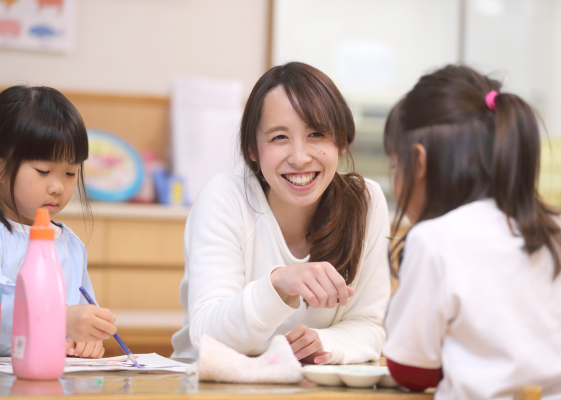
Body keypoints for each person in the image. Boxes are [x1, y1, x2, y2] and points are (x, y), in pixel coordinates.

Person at [171, 62, 391, 364]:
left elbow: (368, 325)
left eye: (316, 134)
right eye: (279, 138)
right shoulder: (225, 197)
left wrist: (323, 342)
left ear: (341, 141)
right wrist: (277, 285)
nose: (300, 158)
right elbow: (206, 337)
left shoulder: (365, 202)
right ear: (252, 149)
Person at [382, 65, 561, 398]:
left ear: (419, 162)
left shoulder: (435, 240)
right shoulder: (553, 231)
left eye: (395, 165)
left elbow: (411, 369)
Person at [0, 86, 117, 358]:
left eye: (70, 173)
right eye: (44, 171)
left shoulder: (71, 246)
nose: (58, 186)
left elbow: (79, 318)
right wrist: (59, 317)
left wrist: (89, 339)